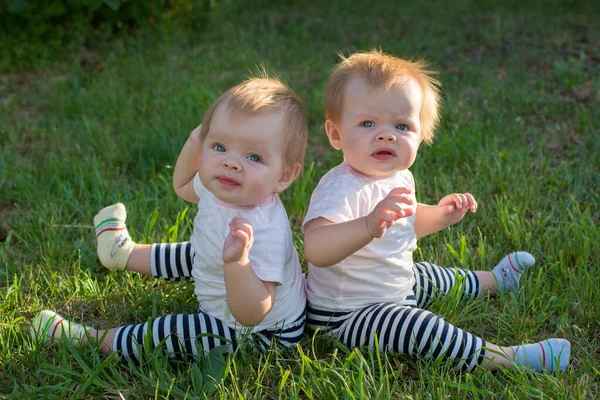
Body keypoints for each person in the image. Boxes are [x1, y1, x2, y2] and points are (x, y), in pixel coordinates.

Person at [302, 50, 570, 373]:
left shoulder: (399, 176)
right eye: (367, 123)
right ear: (335, 134)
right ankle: (506, 358)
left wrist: (440, 215)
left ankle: (493, 281)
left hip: (394, 287)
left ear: (421, 135)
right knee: (420, 327)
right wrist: (367, 225)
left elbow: (409, 221)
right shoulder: (339, 188)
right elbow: (316, 249)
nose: (386, 134)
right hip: (346, 315)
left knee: (429, 275)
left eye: (401, 125)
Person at [31, 76, 309, 363]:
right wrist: (194, 141)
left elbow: (253, 313)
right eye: (219, 147)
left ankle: (94, 340)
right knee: (195, 251)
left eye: (253, 156)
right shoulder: (225, 187)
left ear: (285, 175)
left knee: (178, 331)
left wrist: (238, 263)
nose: (230, 162)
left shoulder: (265, 231)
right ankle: (122, 253)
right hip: (222, 275)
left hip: (260, 333)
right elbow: (183, 186)